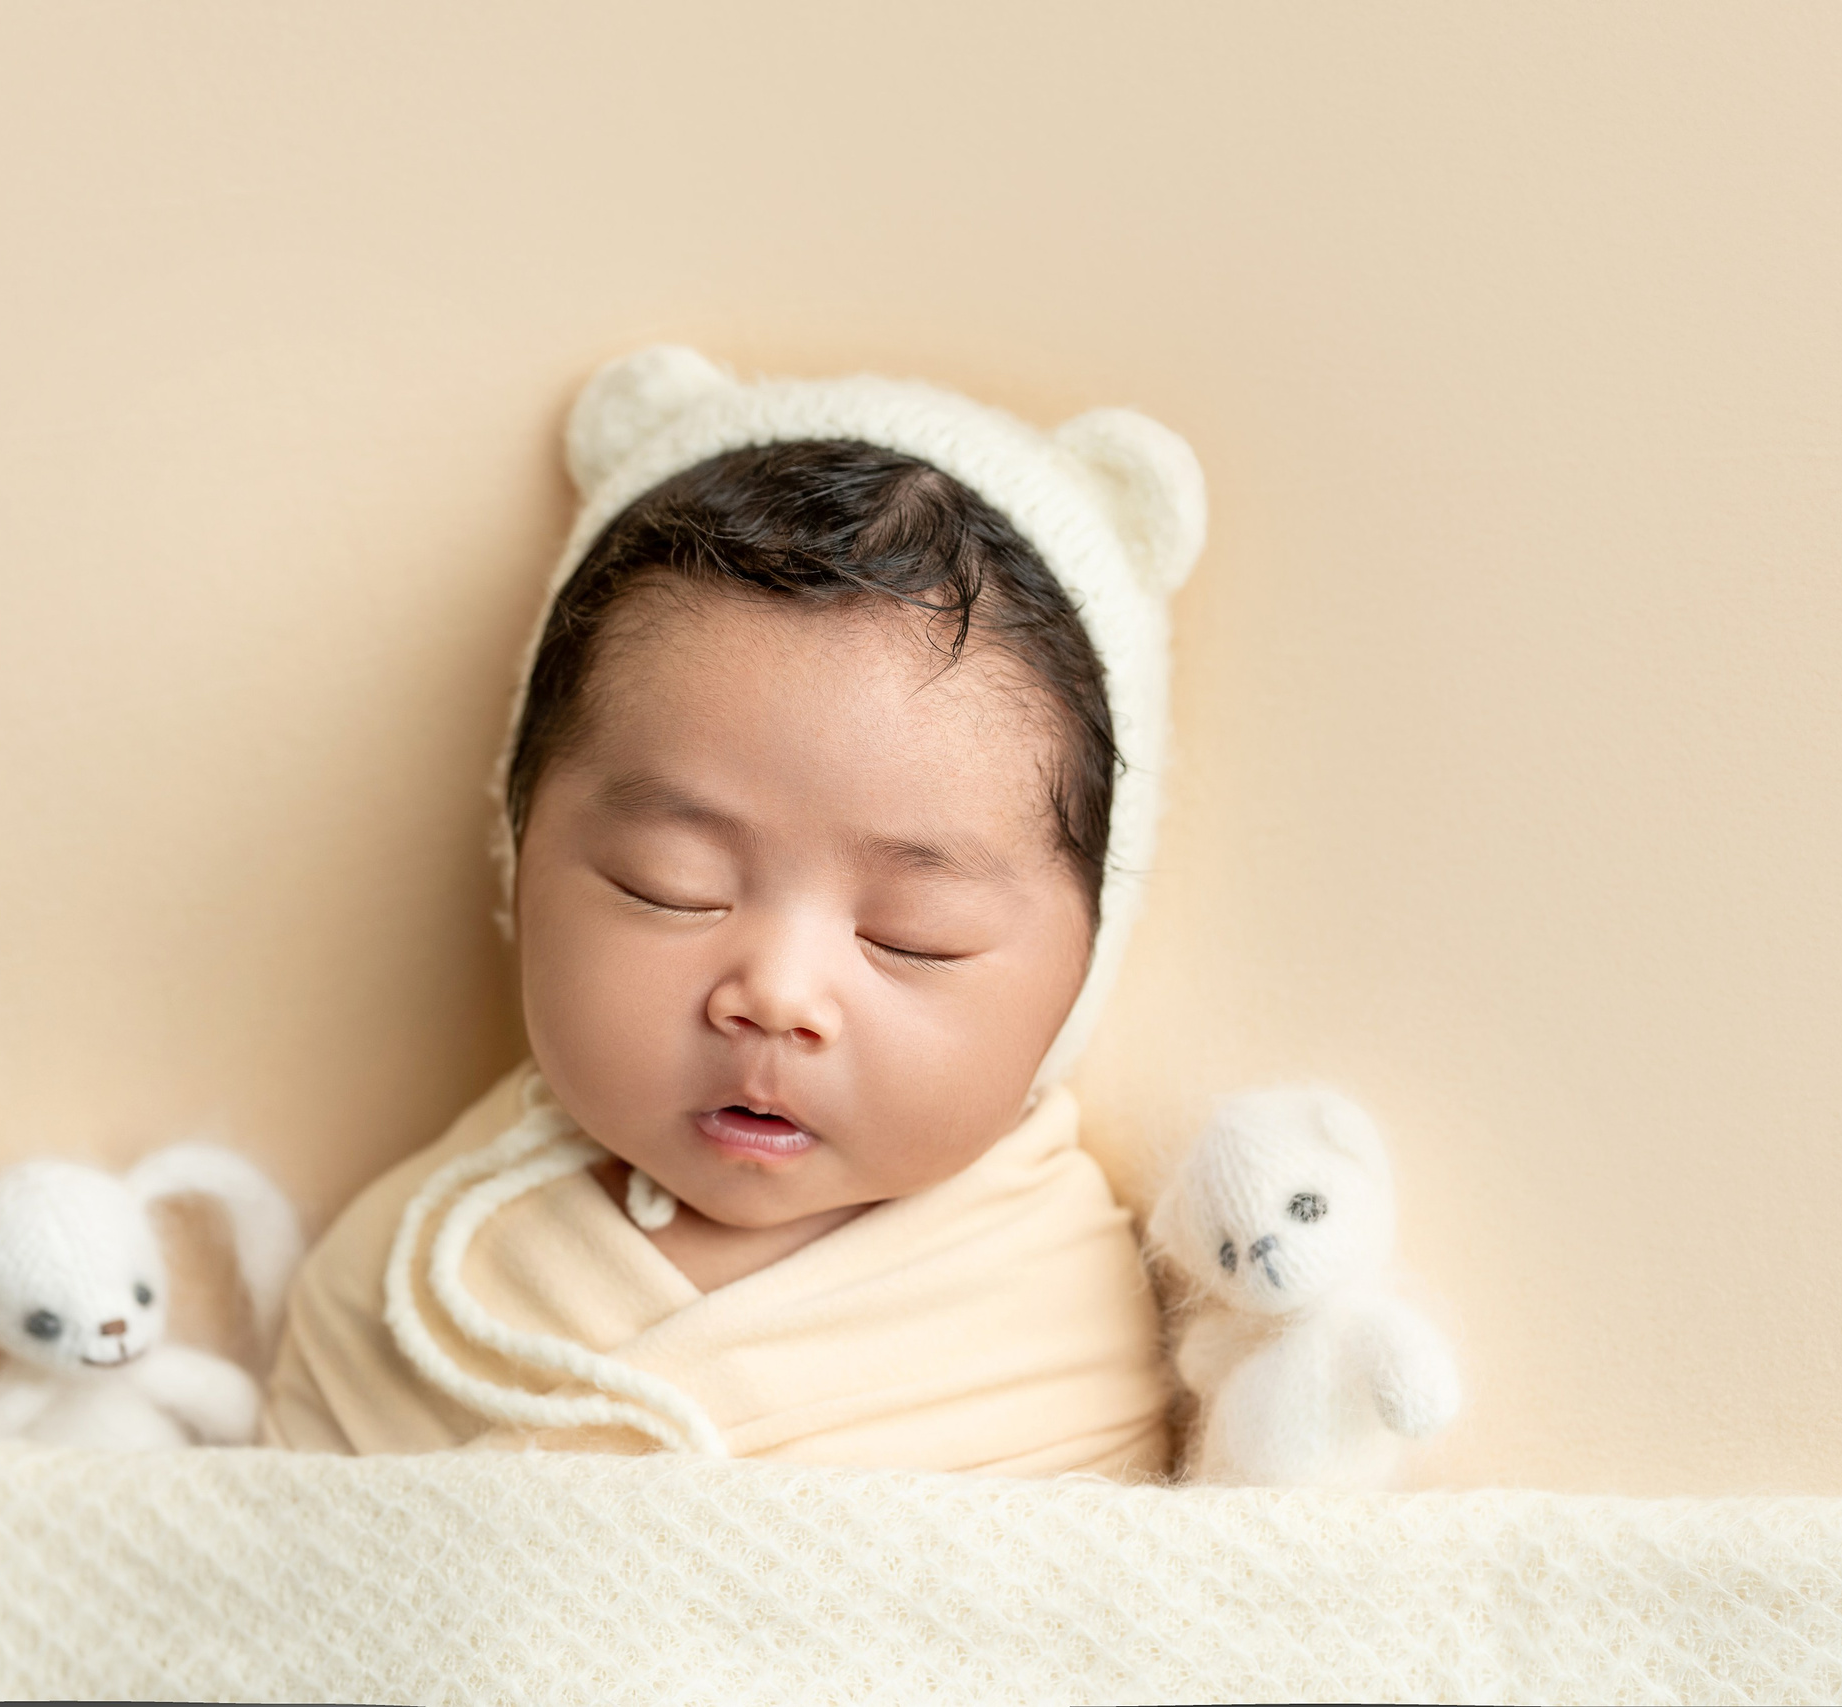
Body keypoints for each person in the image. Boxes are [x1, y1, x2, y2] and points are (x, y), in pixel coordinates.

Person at [261, 346, 1205, 1476]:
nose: (777, 996)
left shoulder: (1073, 1328)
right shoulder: (407, 1284)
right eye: (671, 884)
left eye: (912, 934)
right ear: (520, 861)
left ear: (1083, 961)